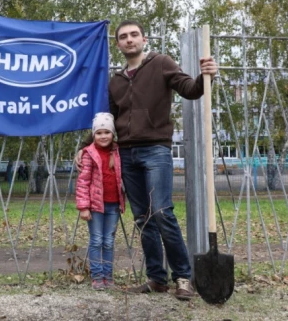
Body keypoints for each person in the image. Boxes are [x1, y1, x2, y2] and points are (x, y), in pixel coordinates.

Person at [75, 20, 218, 300]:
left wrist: (206, 76)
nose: (129, 40)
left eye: (134, 35)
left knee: (162, 212)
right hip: (125, 154)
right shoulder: (115, 81)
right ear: (117, 44)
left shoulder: (161, 63)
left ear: (144, 39)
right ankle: (156, 278)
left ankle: (183, 277)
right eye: (123, 37)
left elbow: (190, 89)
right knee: (143, 218)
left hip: (155, 150)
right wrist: (86, 146)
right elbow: (108, 120)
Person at [76, 112, 126, 290]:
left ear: (113, 134)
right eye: (98, 133)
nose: (103, 136)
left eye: (107, 132)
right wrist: (83, 206)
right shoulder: (89, 153)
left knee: (109, 241)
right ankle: (97, 277)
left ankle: (108, 276)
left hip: (113, 204)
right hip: (96, 206)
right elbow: (83, 181)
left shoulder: (118, 152)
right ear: (93, 135)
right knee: (96, 240)